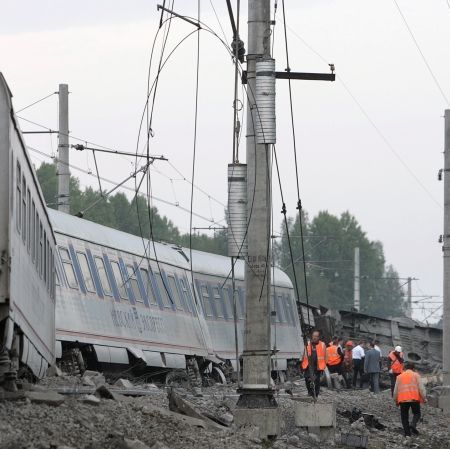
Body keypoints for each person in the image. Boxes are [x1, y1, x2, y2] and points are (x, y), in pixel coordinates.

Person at [393, 362, 426, 437]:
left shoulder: (399, 377)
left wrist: (396, 401)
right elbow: (421, 388)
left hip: (403, 400)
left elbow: (395, 391)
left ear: (404, 368)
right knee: (417, 413)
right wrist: (424, 398)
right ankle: (413, 424)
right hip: (414, 399)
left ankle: (407, 434)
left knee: (404, 417)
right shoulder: (416, 375)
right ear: (413, 369)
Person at [301, 329, 328, 398]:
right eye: (313, 336)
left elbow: (325, 356)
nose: (314, 337)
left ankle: (315, 394)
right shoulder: (307, 344)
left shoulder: (322, 345)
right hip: (308, 365)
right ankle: (310, 392)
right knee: (307, 379)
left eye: (316, 336)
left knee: (316, 380)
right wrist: (302, 364)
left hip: (318, 366)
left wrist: (324, 365)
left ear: (319, 337)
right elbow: (304, 354)